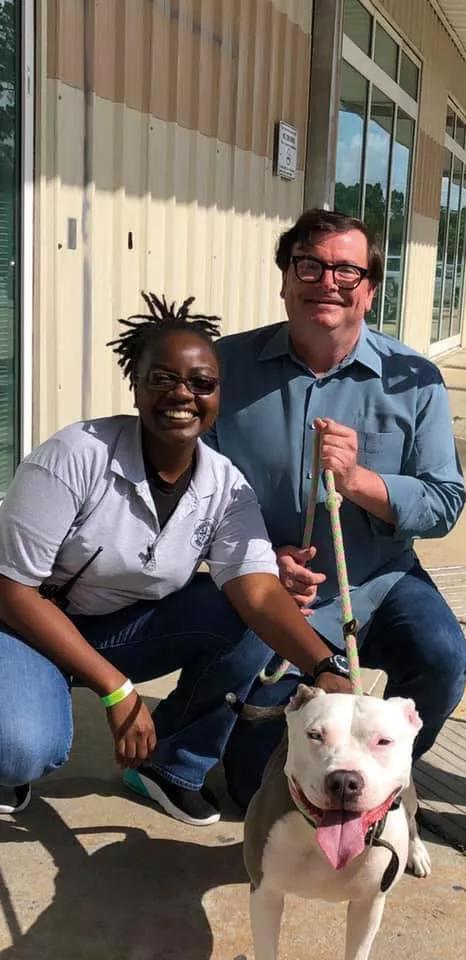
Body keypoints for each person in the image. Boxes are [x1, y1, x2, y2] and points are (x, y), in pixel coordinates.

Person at [0, 293, 350, 826]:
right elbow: (12, 589)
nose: (182, 394)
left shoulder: (224, 484)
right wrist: (117, 689)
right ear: (136, 385)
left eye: (201, 383)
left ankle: (171, 763)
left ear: (218, 394)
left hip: (115, 629)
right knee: (21, 749)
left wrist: (326, 668)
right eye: (162, 378)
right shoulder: (76, 455)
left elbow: (257, 591)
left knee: (244, 618)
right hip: (23, 626)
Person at [206, 209, 466, 809]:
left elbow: (444, 503)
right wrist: (263, 559)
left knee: (443, 658)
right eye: (310, 266)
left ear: (370, 290)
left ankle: (377, 781)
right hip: (275, 595)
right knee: (251, 789)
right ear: (285, 278)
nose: (327, 282)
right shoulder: (225, 370)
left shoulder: (415, 381)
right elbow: (200, 498)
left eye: (347, 271)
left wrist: (359, 481)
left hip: (381, 579)